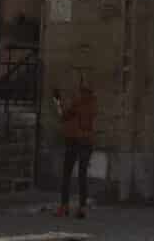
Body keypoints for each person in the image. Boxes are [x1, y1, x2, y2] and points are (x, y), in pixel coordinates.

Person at [55, 79, 97, 219]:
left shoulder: (77, 104)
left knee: (66, 174)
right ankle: (82, 207)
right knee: (82, 176)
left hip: (74, 141)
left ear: (81, 92)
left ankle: (64, 206)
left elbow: (63, 116)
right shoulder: (93, 105)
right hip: (87, 142)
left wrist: (57, 102)